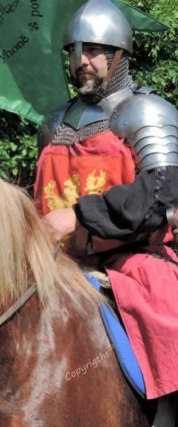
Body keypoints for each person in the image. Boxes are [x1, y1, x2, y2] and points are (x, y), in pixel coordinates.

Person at [34, 0, 178, 406]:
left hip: (132, 262)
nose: (83, 61)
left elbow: (163, 190)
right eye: (76, 51)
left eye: (95, 50)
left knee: (173, 328)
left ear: (119, 55)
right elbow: (37, 195)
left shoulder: (145, 112)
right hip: (54, 264)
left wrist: (81, 216)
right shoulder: (53, 123)